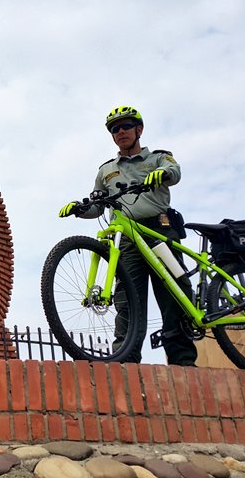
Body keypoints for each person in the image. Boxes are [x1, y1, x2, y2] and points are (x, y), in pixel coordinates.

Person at [58, 106, 197, 367]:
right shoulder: (106, 170)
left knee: (173, 295)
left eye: (125, 126)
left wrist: (164, 174)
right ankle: (126, 361)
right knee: (127, 300)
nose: (120, 132)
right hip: (127, 239)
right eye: (114, 129)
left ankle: (183, 361)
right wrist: (80, 209)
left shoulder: (157, 158)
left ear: (139, 130)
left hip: (159, 231)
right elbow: (98, 205)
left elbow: (174, 172)